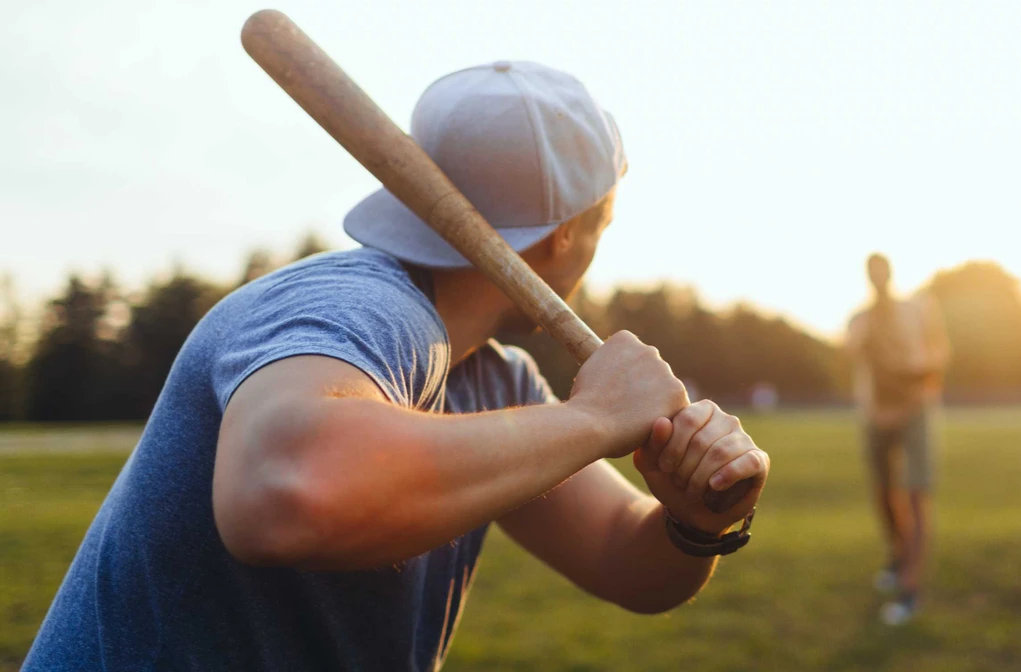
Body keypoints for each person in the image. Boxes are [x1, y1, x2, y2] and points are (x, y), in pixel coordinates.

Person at [24, 61, 769, 671]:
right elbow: (283, 492)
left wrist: (695, 522)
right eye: (604, 222)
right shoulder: (360, 308)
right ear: (564, 235)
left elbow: (620, 558)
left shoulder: (492, 379)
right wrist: (597, 418)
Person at [845, 253, 949, 626]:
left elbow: (939, 354)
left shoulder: (917, 310)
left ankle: (910, 588)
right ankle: (899, 553)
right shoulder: (861, 319)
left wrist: (915, 372)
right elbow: (849, 353)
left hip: (915, 408)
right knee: (883, 492)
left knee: (917, 493)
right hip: (876, 413)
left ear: (889, 273)